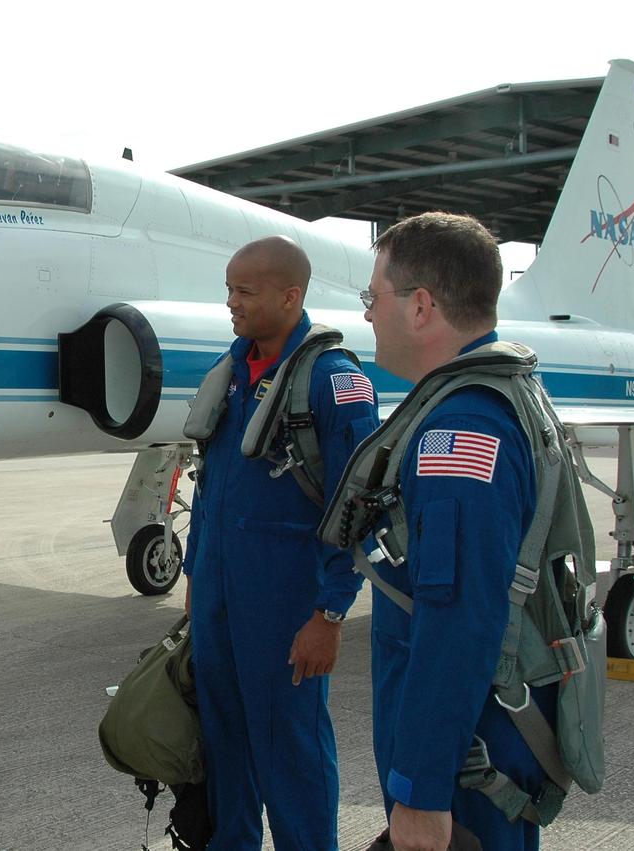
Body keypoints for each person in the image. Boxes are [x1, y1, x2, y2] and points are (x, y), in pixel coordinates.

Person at [181, 236, 379, 850]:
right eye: (229, 289)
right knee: (224, 748)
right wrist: (195, 581)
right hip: (217, 602)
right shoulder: (233, 372)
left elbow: (359, 507)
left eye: (245, 291)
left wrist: (330, 613)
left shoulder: (335, 383)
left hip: (287, 607)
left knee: (290, 752)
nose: (231, 303)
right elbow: (212, 489)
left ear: (291, 296)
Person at [359, 212, 547, 851]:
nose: (366, 316)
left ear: (419, 307)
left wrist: (421, 789)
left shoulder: (459, 431)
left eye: (371, 297)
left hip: (469, 766)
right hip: (482, 745)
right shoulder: (495, 395)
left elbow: (459, 616)